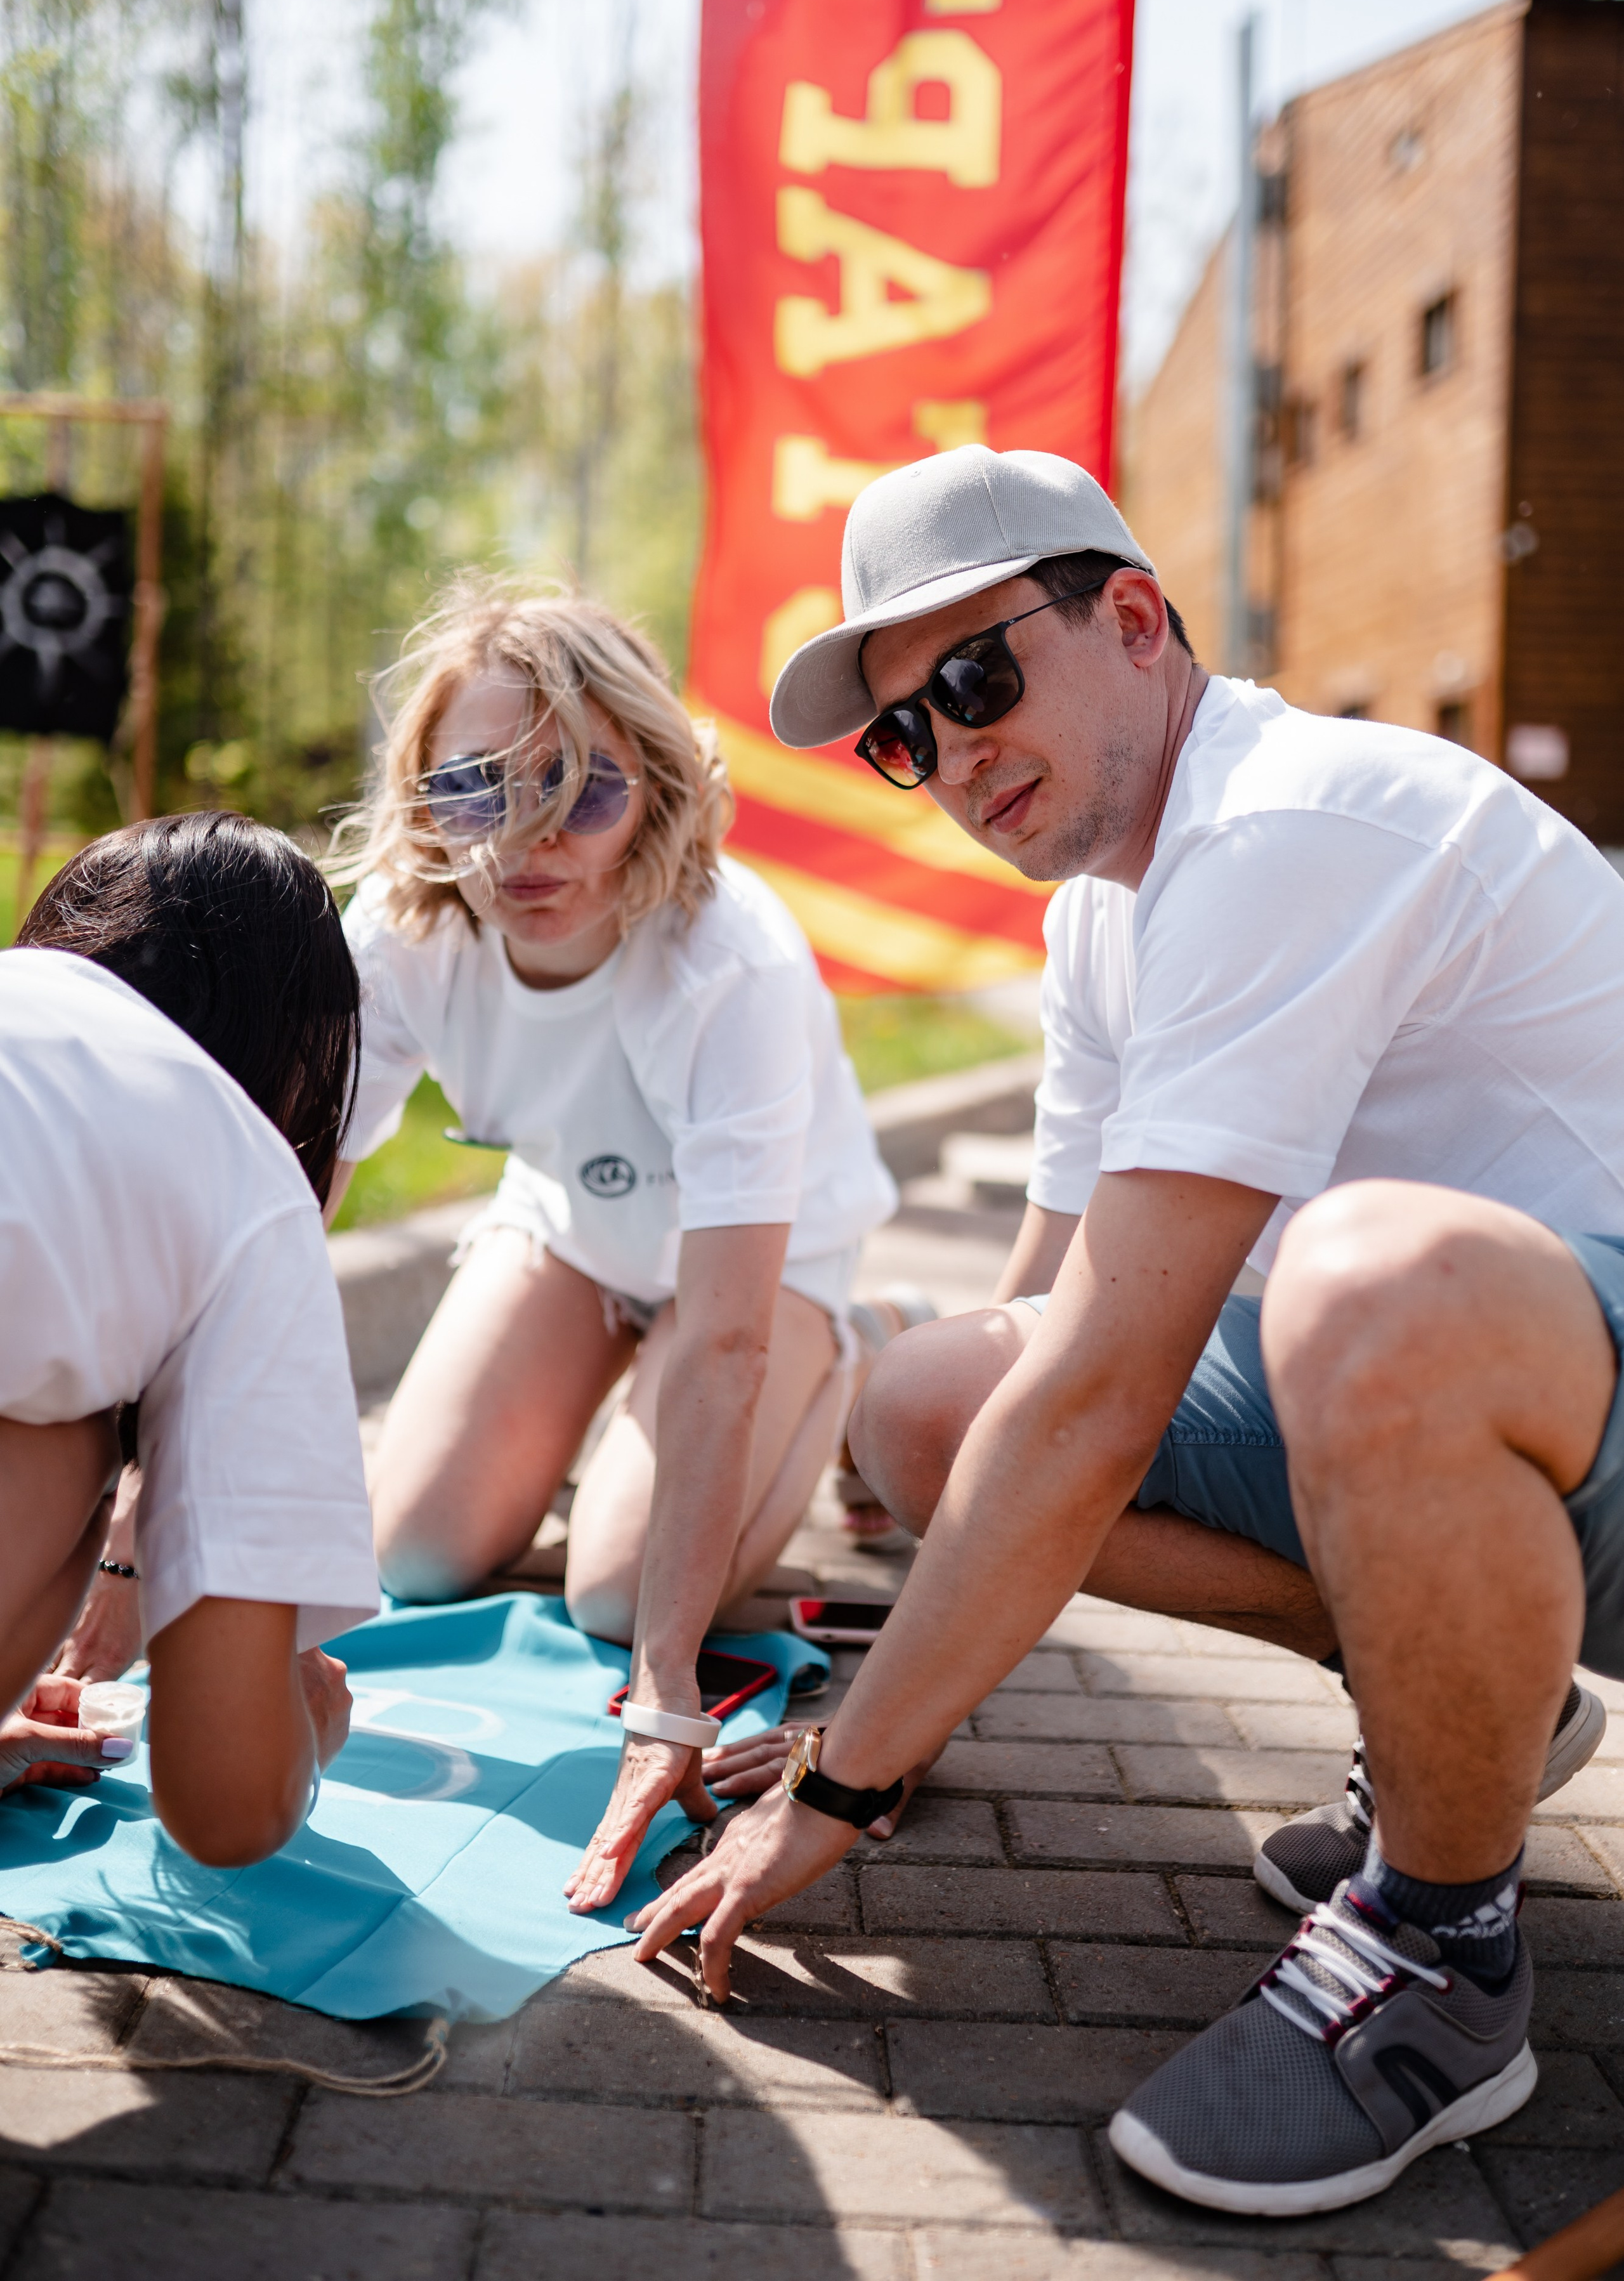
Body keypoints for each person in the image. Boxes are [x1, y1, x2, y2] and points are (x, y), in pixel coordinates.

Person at [629, 445, 1624, 2216]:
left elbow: (1102, 1397)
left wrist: (849, 1788)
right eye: (901, 736)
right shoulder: (1106, 909)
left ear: (1139, 620)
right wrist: (921, 1671)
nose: (947, 756)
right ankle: (1483, 1695)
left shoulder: (1291, 821)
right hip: (1525, 1421)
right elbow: (1040, 1338)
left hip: (1552, 1389)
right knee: (928, 1405)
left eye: (974, 680)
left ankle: (1441, 1956)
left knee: (1362, 1282)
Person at [325, 579, 899, 1911]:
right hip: (575, 1227)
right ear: (418, 793)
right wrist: (145, 1531)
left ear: (652, 786)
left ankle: (861, 1356)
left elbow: (725, 1337)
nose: (527, 845)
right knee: (411, 1554)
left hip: (760, 1268)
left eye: (577, 791)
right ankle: (611, 1380)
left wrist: (664, 1686)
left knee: (622, 1590)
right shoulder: (406, 932)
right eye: (476, 790)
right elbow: (285, 1219)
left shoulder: (727, 959)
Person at [3, 814, 379, 1866]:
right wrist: (291, 1725)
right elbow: (224, 1814)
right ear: (300, 1048)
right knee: (70, 1432)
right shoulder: (244, 1177)